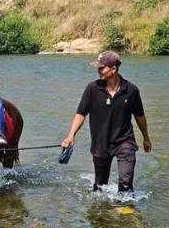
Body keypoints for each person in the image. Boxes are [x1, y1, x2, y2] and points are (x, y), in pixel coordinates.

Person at [61, 51, 152, 193]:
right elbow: (81, 114)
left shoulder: (131, 90)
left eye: (101, 68)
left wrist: (146, 138)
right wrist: (71, 135)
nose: (98, 71)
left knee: (126, 183)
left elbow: (139, 116)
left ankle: (126, 211)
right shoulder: (92, 89)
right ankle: (101, 213)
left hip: (125, 141)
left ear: (114, 69)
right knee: (100, 186)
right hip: (100, 143)